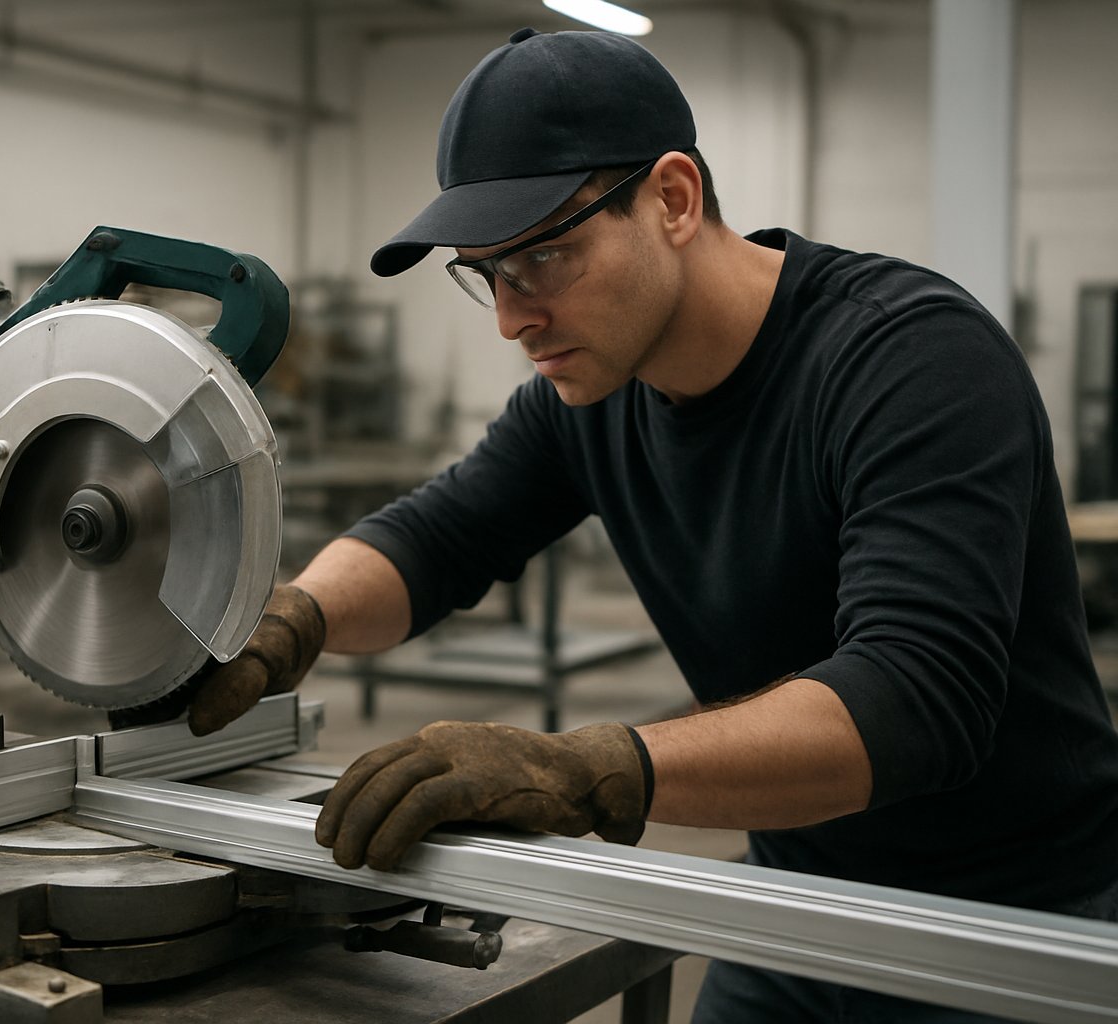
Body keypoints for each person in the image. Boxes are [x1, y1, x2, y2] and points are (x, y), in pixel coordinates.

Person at [184, 27, 1118, 1022]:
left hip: (1020, 924)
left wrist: (588, 769)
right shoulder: (590, 399)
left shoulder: (910, 361)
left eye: (545, 255)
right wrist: (296, 617)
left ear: (673, 199)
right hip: (795, 901)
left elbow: (915, 700)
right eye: (488, 273)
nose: (512, 318)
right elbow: (437, 537)